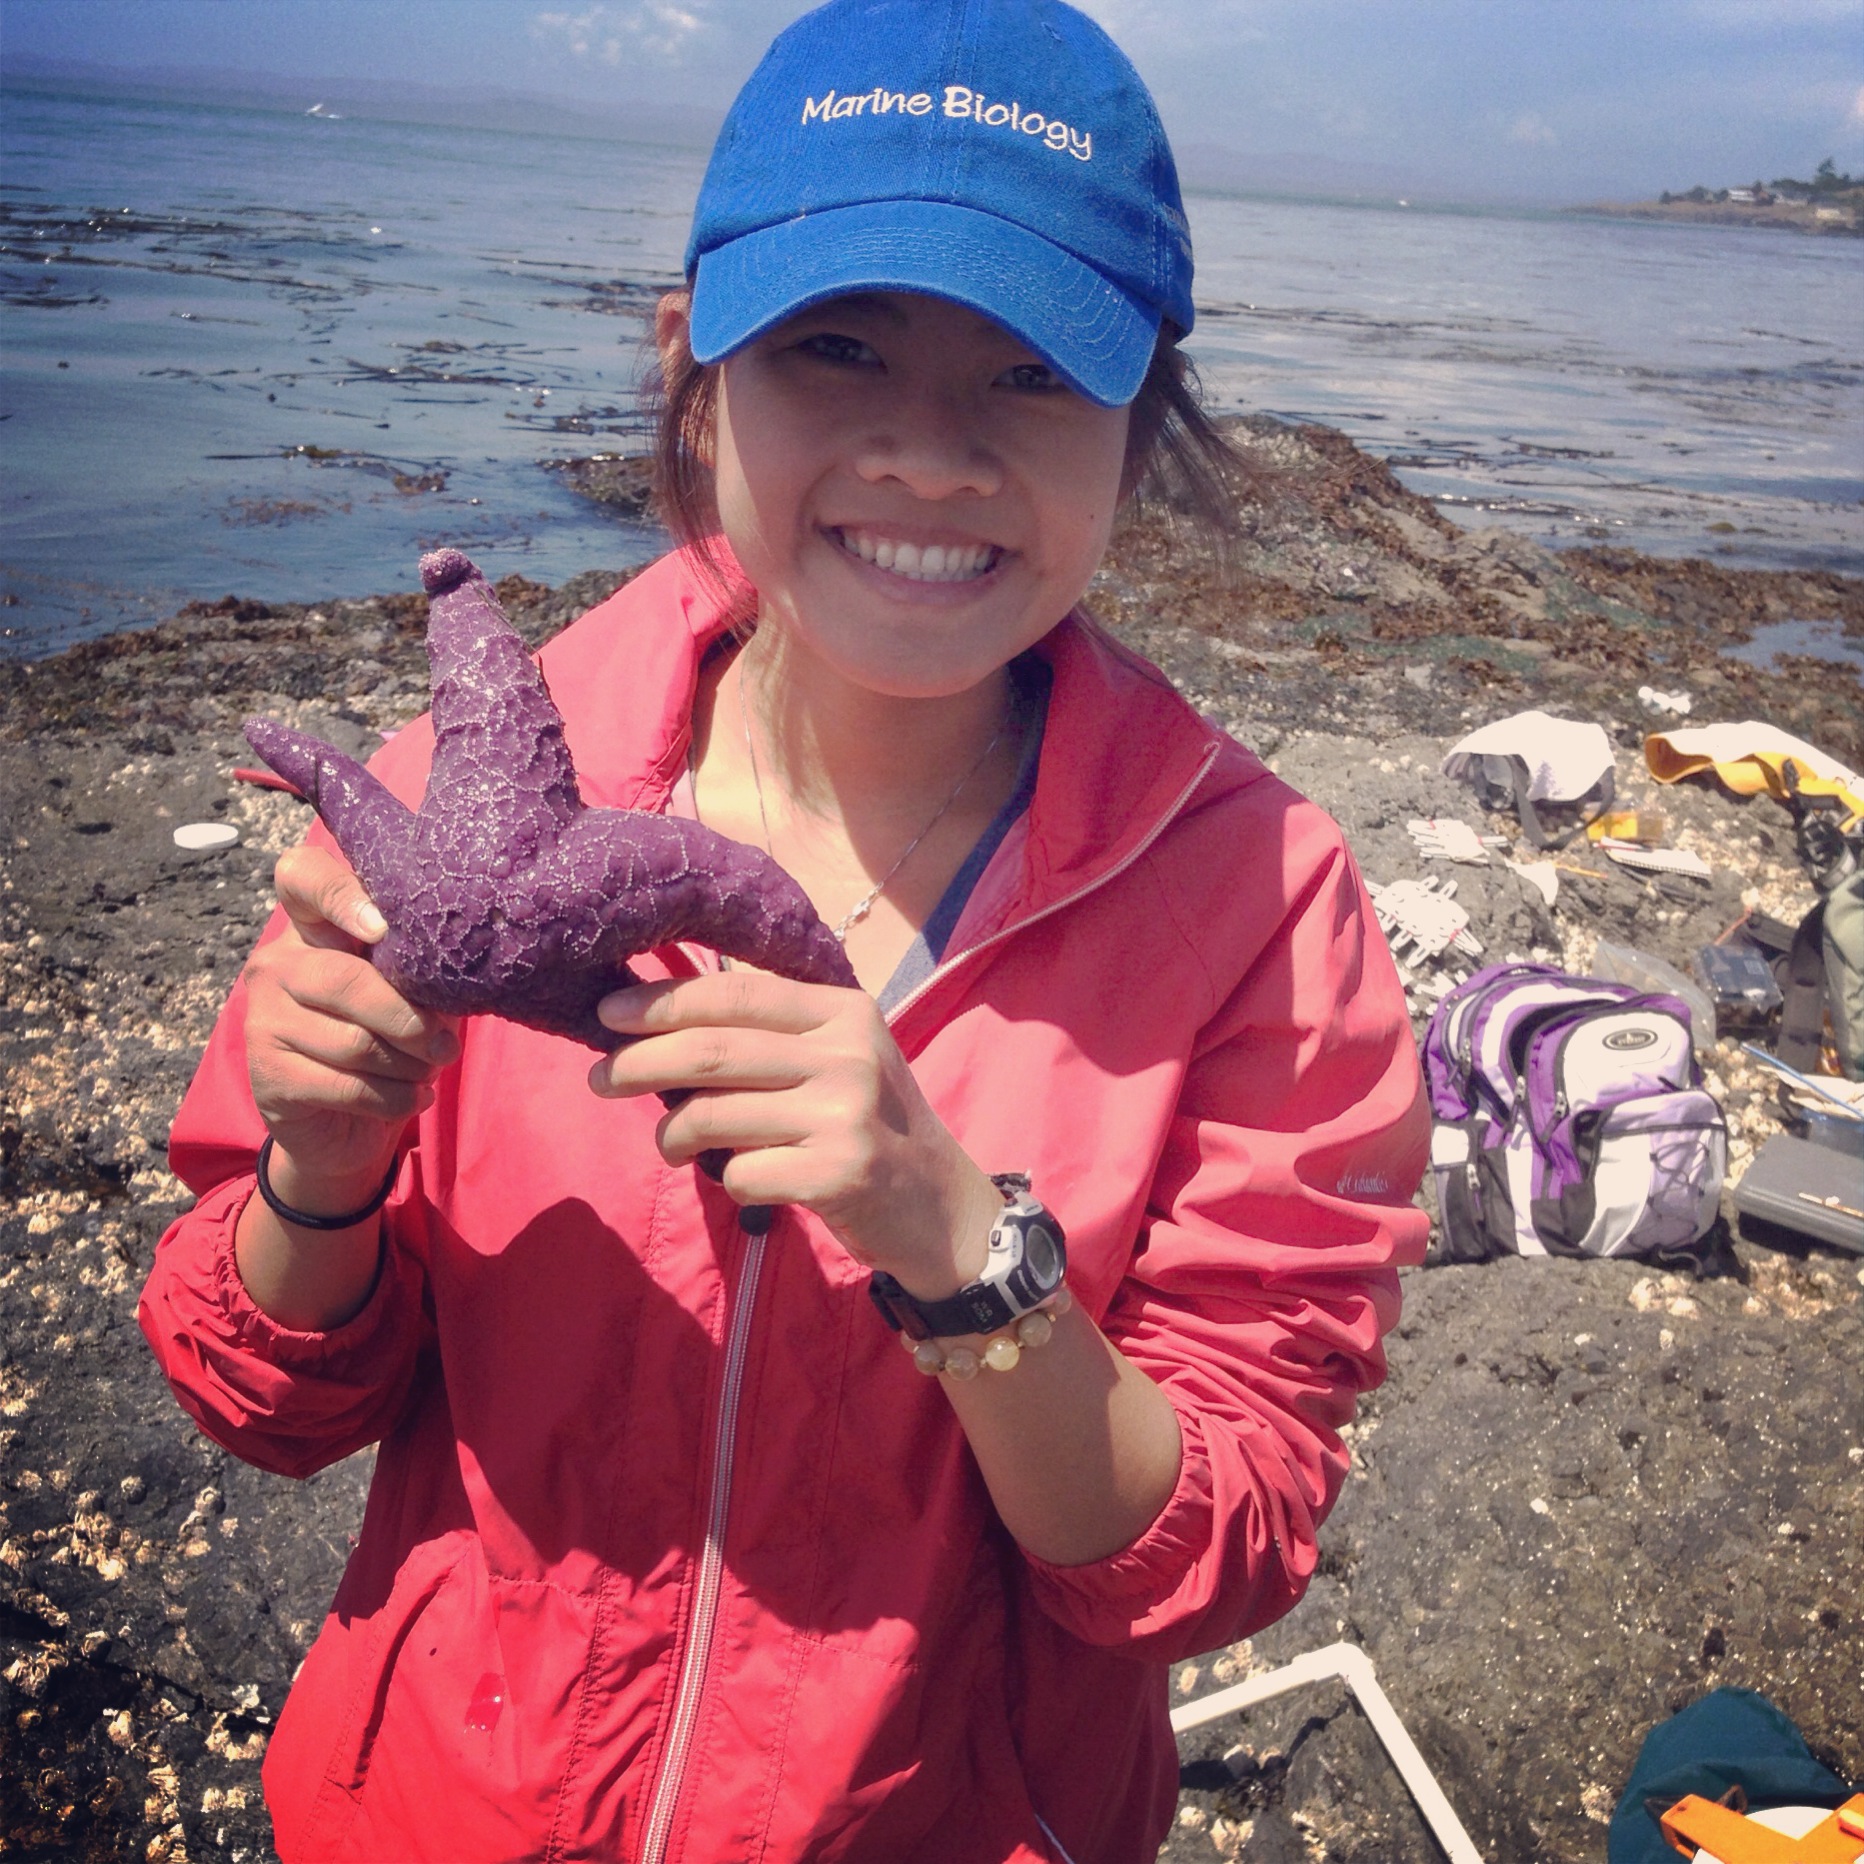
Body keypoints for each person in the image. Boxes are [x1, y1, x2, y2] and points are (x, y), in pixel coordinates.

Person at [138, 1, 1429, 1858]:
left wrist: (959, 1245)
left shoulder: (1258, 904)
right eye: (839, 346)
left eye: (1030, 373)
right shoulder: (451, 799)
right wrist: (321, 1172)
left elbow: (1214, 1554)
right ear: (695, 362)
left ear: (1137, 427)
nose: (928, 454)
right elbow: (255, 1394)